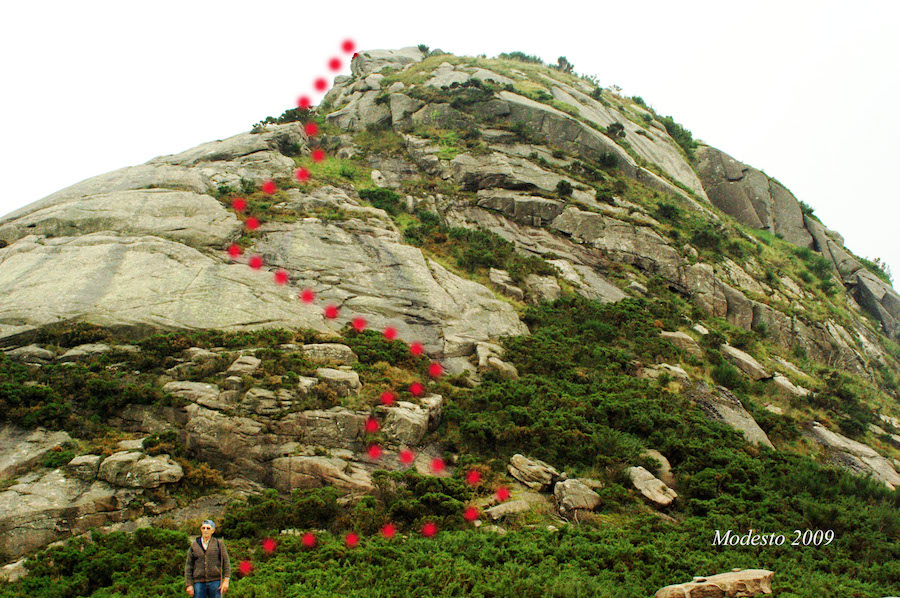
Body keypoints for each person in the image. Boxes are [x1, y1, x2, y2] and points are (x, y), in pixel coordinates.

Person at [185, 519, 231, 597]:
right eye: (203, 528)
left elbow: (226, 563)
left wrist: (226, 581)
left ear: (213, 530)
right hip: (199, 583)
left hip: (215, 582)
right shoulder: (194, 545)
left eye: (208, 528)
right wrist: (189, 584)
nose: (205, 530)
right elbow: (189, 566)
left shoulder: (218, 544)